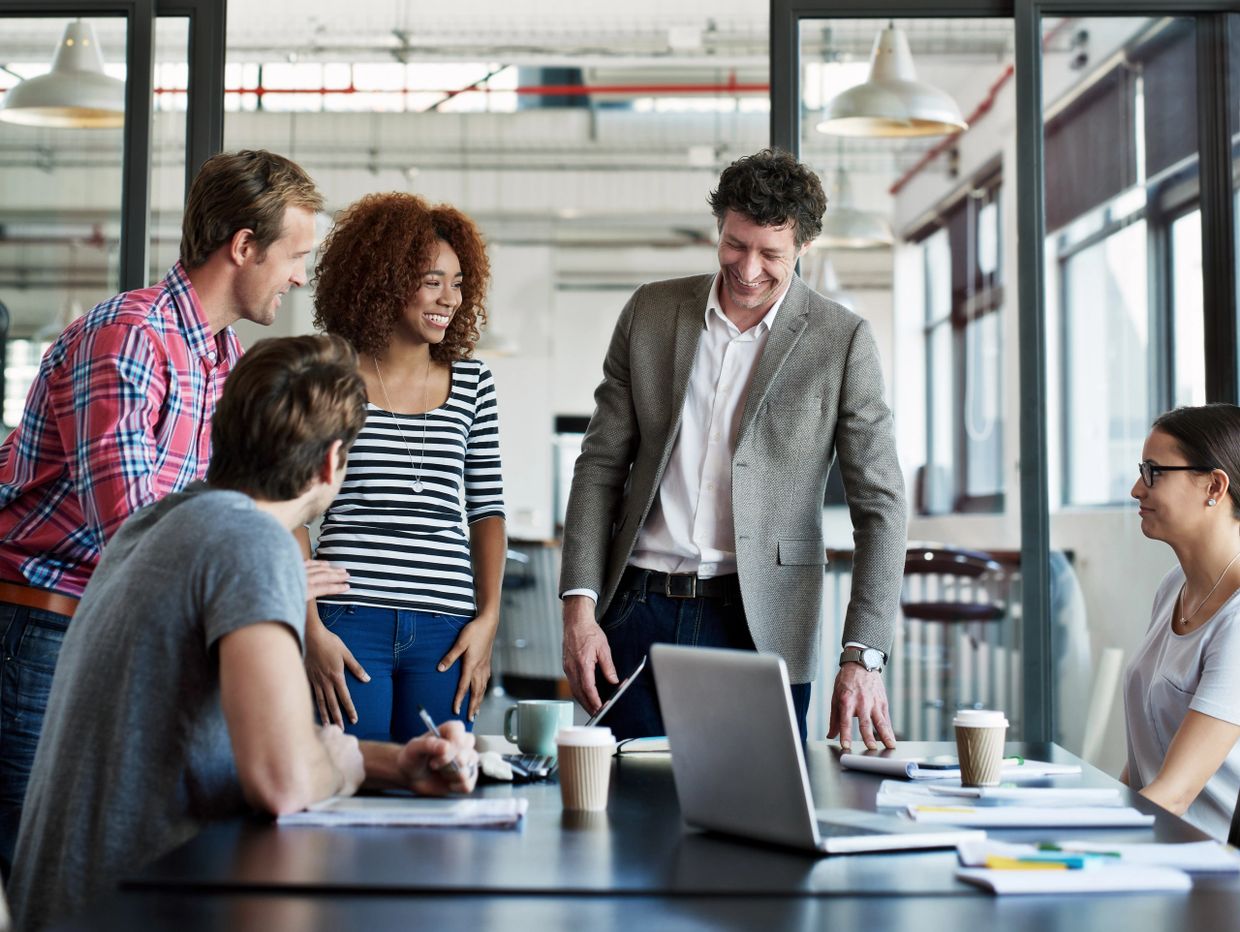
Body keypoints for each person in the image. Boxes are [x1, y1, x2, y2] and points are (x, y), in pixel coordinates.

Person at [8, 335, 479, 932]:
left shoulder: (160, 522)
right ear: (332, 462)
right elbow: (282, 780)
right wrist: (345, 767)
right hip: (135, 911)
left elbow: (253, 742)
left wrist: (394, 763)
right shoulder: (252, 545)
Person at [0, 149, 337, 872]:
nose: (301, 275)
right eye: (295, 254)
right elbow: (133, 532)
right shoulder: (128, 337)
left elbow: (214, 515)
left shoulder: (217, 358)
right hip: (40, 631)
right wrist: (249, 575)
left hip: (112, 629)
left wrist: (259, 567)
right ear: (243, 246)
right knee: (47, 871)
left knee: (119, 861)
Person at [559, 148, 907, 747]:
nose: (747, 269)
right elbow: (599, 467)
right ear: (719, 228)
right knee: (617, 822)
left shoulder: (841, 340)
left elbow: (882, 504)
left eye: (771, 254)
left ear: (803, 248)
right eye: (734, 245)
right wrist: (579, 605)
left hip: (761, 625)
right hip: (636, 612)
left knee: (756, 826)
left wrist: (864, 653)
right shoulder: (651, 312)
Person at [305, 192, 506, 741]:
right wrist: (309, 627)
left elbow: (486, 510)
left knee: (442, 787)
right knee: (346, 783)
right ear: (385, 280)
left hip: (447, 629)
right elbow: (292, 509)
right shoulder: (330, 373)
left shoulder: (473, 383)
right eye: (432, 280)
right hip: (348, 620)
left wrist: (487, 621)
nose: (450, 299)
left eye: (459, 282)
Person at [1124, 403, 1240, 840]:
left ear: (1214, 485)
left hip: (1207, 875)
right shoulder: (1174, 587)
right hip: (1155, 845)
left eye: (1154, 472)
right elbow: (1144, 769)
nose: (1138, 488)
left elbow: (1174, 794)